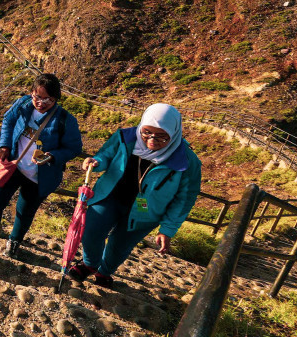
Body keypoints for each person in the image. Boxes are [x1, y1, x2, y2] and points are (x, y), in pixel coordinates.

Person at [69, 103, 202, 288]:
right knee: (90, 230)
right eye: (147, 132)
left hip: (146, 212)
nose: (152, 139)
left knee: (119, 246)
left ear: (174, 132)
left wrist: (168, 229)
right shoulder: (125, 137)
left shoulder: (187, 161)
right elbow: (107, 154)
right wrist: (97, 162)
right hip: (111, 196)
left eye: (162, 136)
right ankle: (90, 264)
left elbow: (185, 197)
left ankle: (104, 271)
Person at [0, 73, 83, 260]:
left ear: (56, 99)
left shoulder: (65, 120)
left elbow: (74, 148)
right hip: (14, 166)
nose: (41, 102)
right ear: (31, 93)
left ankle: (14, 241)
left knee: (25, 211)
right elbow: (8, 120)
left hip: (40, 176)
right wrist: (4, 144)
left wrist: (52, 156)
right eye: (37, 96)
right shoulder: (23, 104)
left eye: (48, 99)